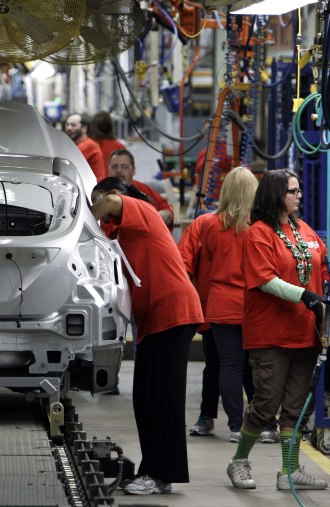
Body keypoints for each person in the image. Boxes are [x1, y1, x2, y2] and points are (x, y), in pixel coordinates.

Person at [90, 177, 203, 495]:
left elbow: (110, 205)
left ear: (113, 194)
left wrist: (85, 212)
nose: (102, 212)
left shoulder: (141, 210)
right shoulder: (122, 230)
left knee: (164, 400)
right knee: (146, 398)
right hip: (153, 321)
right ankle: (153, 470)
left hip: (173, 313)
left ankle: (161, 473)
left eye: (98, 200)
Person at [227, 169, 329, 491]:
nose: (299, 196)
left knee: (296, 405)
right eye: (293, 191)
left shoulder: (305, 229)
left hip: (306, 333)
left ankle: (290, 471)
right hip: (270, 333)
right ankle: (238, 462)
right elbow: (264, 279)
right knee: (266, 403)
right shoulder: (258, 233)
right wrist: (308, 297)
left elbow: (322, 263)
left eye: (299, 190)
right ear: (275, 195)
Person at [199, 167, 259, 443]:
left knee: (229, 366)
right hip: (251, 304)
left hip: (220, 303)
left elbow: (208, 257)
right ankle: (259, 424)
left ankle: (236, 426)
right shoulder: (259, 226)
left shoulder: (210, 224)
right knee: (255, 366)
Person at [178, 211, 220, 437]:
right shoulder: (203, 223)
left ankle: (260, 423)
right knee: (214, 365)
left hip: (250, 310)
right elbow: (183, 264)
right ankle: (207, 417)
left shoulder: (256, 223)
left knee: (251, 370)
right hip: (213, 307)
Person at [108, 149, 174, 232]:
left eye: (125, 166)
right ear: (108, 170)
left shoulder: (142, 189)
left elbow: (167, 211)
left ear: (133, 170)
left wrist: (158, 217)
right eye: (114, 167)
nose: (119, 171)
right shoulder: (100, 192)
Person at [64, 113, 107, 181]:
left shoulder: (88, 145)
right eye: (67, 125)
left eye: (73, 125)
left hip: (95, 189)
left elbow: (66, 164)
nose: (69, 128)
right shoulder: (80, 145)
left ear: (84, 128)